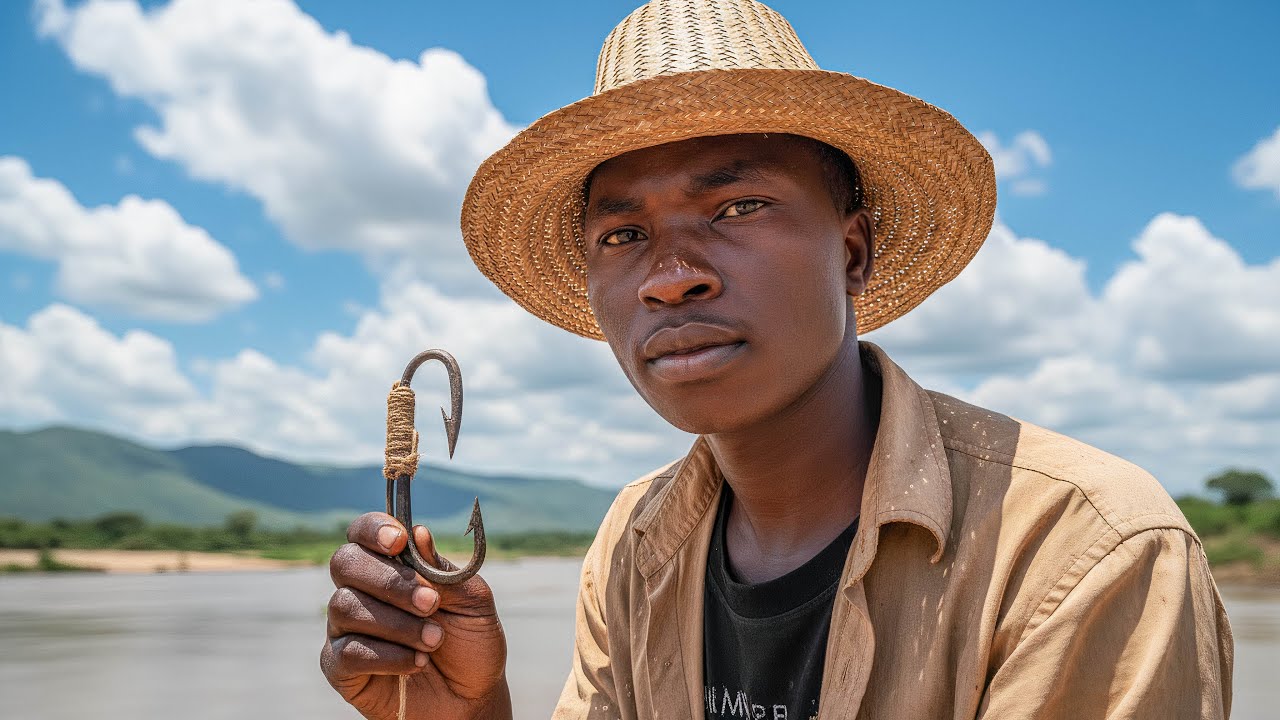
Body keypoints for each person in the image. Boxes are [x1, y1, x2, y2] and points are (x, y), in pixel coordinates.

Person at [321, 1, 1234, 718]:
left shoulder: (1082, 549)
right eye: (624, 233)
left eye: (738, 208)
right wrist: (468, 712)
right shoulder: (637, 545)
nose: (669, 278)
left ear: (853, 251)